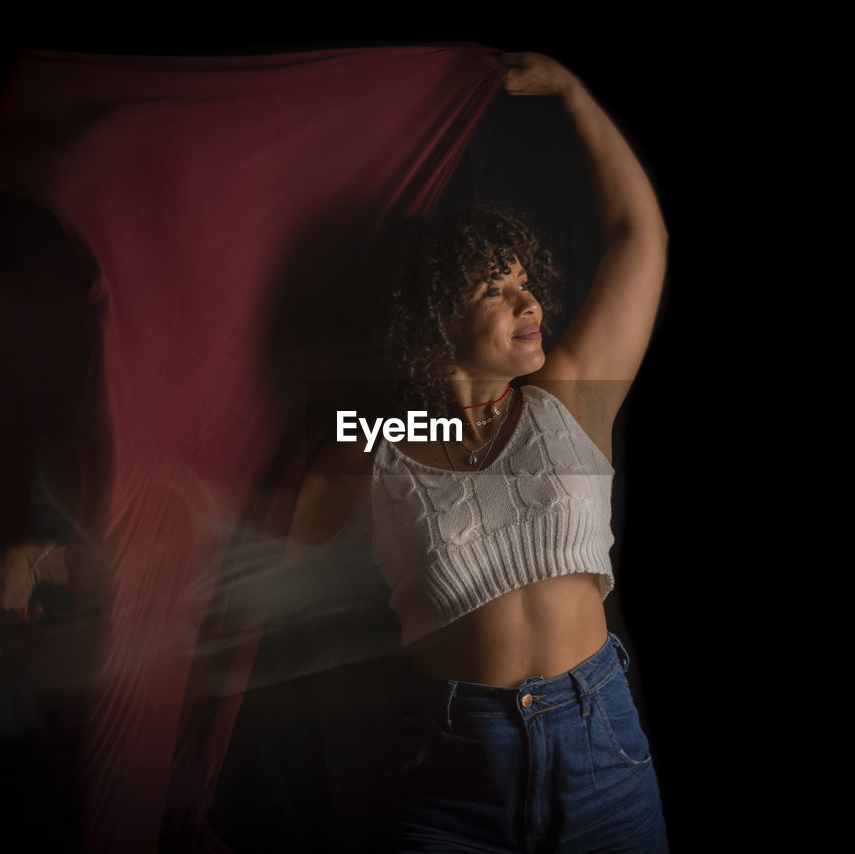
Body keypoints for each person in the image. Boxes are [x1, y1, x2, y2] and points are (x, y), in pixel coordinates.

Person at [288, 51, 669, 852]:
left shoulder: (568, 399)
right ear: (435, 323)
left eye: (526, 280)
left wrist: (573, 90)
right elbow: (249, 547)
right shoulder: (389, 440)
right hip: (451, 770)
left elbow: (642, 236)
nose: (530, 301)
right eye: (494, 287)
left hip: (603, 753)